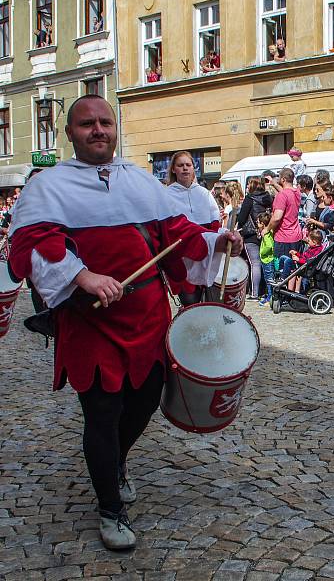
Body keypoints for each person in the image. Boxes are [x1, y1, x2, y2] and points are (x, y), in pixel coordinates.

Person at [7, 95, 242, 550]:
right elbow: (30, 246)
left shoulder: (140, 181)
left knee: (143, 403)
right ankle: (111, 506)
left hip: (148, 315)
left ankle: (116, 462)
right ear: (70, 133)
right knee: (101, 412)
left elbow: (178, 237)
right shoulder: (49, 186)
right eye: (86, 124)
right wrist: (82, 275)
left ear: (115, 129)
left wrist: (216, 240)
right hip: (91, 321)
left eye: (105, 123)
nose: (98, 130)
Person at [165, 150, 222, 305]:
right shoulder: (167, 195)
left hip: (206, 248)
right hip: (183, 251)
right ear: (173, 169)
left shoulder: (204, 193)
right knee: (189, 300)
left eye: (188, 165)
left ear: (193, 168)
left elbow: (215, 219)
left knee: (207, 296)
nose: (185, 168)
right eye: (180, 165)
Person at [265, 168, 302, 294]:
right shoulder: (296, 192)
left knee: (282, 269)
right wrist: (274, 184)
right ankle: (292, 293)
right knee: (293, 268)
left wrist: (267, 229)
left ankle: (283, 294)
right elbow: (286, 193)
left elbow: (277, 217)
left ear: (283, 179)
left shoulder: (281, 196)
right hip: (296, 236)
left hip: (283, 237)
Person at [238, 176, 273, 300]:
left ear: (252, 186)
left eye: (248, 184)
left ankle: (255, 292)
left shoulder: (249, 199)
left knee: (255, 264)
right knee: (266, 262)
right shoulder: (268, 198)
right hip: (266, 233)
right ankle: (266, 290)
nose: (246, 187)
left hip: (251, 235)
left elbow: (241, 219)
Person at [256, 212, 275, 307]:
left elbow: (269, 246)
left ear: (263, 224)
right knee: (268, 279)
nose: (257, 225)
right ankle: (269, 296)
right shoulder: (266, 233)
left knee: (270, 280)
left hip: (268, 259)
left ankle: (271, 298)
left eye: (258, 223)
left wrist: (262, 252)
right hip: (265, 259)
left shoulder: (266, 235)